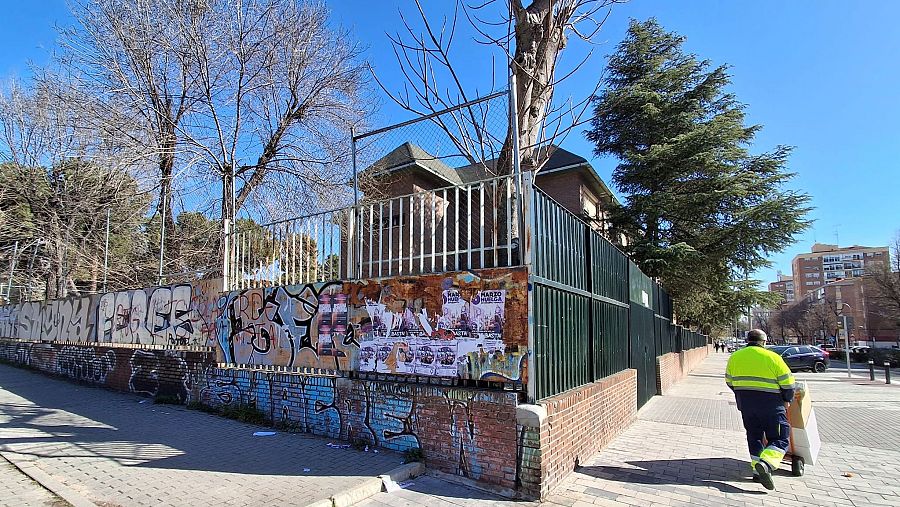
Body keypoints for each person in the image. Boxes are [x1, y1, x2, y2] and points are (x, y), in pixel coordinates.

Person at [725, 329, 795, 491]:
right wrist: (787, 399)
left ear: (748, 340)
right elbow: (788, 385)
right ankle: (766, 464)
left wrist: (743, 393)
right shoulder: (773, 357)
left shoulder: (735, 357)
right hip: (772, 406)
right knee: (780, 437)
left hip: (747, 406)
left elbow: (729, 381)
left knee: (754, 436)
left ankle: (757, 469)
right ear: (764, 342)